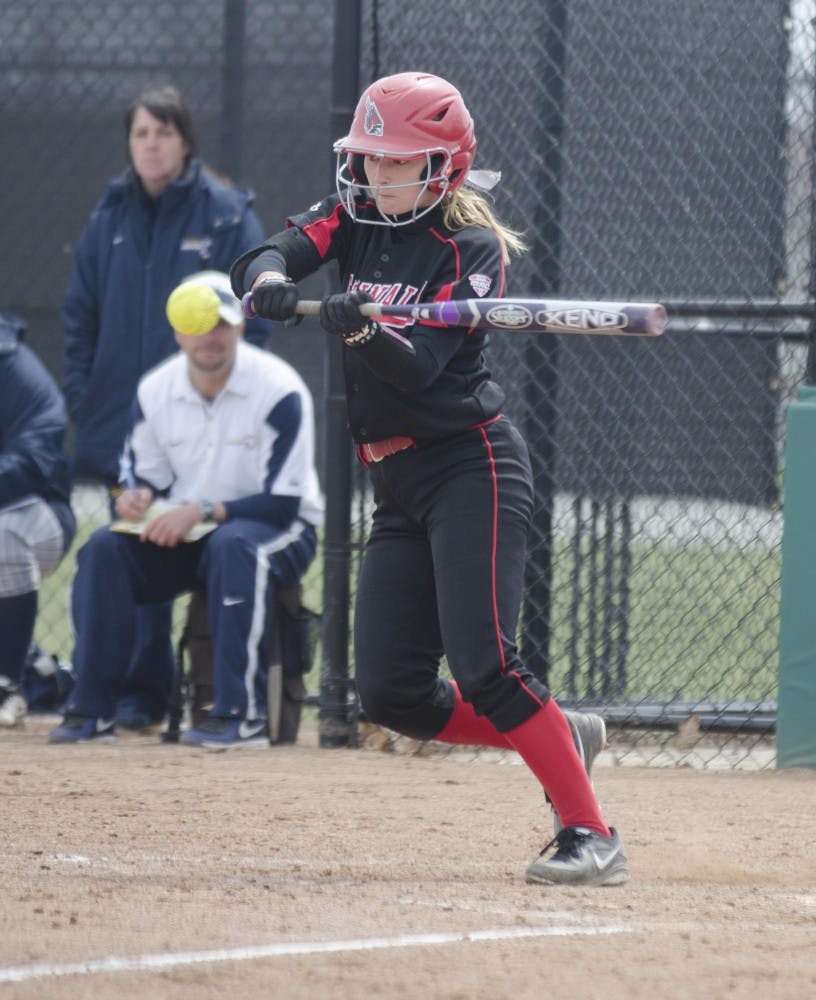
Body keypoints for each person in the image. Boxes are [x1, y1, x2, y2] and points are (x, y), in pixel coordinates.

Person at [231, 71, 628, 886]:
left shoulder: (469, 250)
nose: (375, 173)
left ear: (443, 165)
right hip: (397, 484)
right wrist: (271, 280)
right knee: (391, 691)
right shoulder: (357, 216)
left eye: (395, 160)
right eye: (368, 157)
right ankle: (560, 732)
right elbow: (276, 249)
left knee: (486, 664)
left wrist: (363, 328)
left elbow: (416, 368)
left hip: (468, 467)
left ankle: (592, 832)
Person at [61, 83, 273, 731]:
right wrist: (85, 393)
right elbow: (80, 316)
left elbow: (254, 314)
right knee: (129, 544)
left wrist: (221, 388)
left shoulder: (226, 215)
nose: (151, 145)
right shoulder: (109, 218)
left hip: (205, 428)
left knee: (182, 540)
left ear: (185, 142)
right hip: (126, 422)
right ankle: (136, 695)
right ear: (130, 145)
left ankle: (181, 695)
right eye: (140, 134)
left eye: (163, 133)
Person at [48, 271, 323, 747]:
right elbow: (144, 479)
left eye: (220, 325)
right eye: (196, 325)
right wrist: (135, 498)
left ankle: (243, 716)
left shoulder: (280, 389)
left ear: (240, 327)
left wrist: (199, 510)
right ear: (177, 332)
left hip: (279, 531)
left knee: (237, 547)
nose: (209, 338)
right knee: (102, 551)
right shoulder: (154, 389)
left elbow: (282, 505)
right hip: (195, 533)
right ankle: (90, 710)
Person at [0, 311, 76, 727]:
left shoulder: (14, 368)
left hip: (35, 514)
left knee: (2, 535)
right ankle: (40, 670)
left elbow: (33, 459)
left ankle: (7, 684)